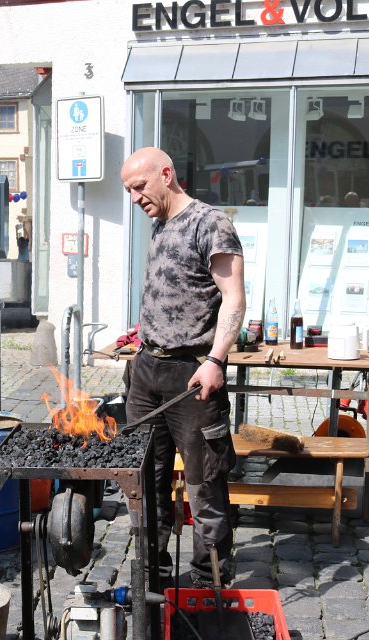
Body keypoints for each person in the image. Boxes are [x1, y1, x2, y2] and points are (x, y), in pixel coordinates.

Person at [120, 147, 246, 588]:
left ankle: (209, 584)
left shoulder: (210, 223)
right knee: (144, 478)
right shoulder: (160, 224)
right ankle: (151, 579)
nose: (135, 198)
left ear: (166, 174)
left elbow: (234, 299)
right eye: (129, 190)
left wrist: (216, 359)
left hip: (193, 376)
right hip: (147, 370)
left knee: (204, 483)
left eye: (139, 186)